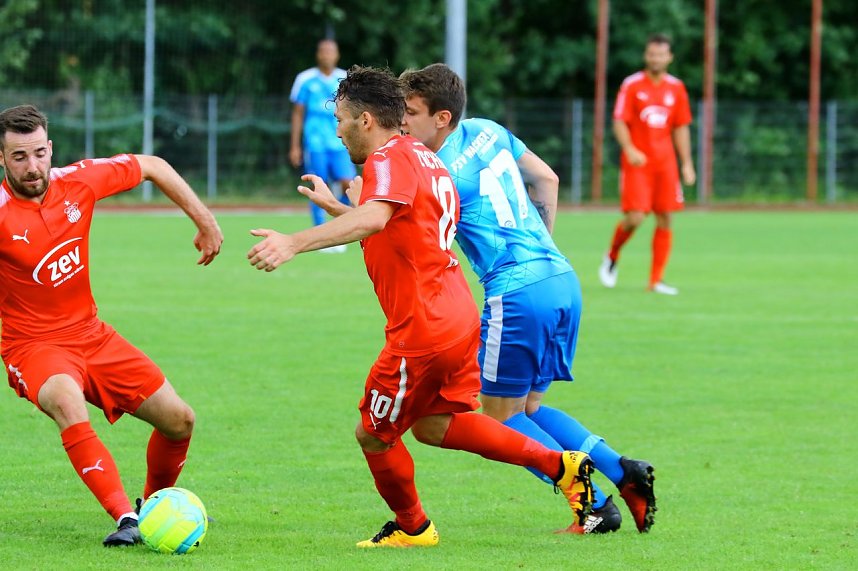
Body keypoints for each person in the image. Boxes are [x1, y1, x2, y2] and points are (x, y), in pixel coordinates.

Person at [248, 65, 595, 547]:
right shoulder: (426, 158)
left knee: (372, 435)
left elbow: (377, 218)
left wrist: (293, 242)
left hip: (422, 329)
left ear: (367, 120)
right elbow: (407, 229)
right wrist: (339, 209)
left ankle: (414, 526)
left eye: (342, 120)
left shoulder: (388, 159)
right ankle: (562, 465)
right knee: (434, 425)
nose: (339, 131)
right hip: (456, 316)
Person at [399, 63, 657, 533]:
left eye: (410, 113)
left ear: (441, 118)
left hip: (517, 295)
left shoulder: (435, 170)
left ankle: (594, 505)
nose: (402, 122)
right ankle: (623, 471)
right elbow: (548, 179)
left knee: (499, 419)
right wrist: (541, 250)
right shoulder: (487, 130)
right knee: (530, 409)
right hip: (560, 277)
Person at [0, 104, 223, 546]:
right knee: (66, 399)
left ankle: (154, 507)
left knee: (179, 421)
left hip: (91, 335)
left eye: (39, 153)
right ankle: (126, 519)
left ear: (50, 148)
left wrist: (205, 219)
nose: (33, 166)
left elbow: (152, 166)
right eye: (19, 157)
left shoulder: (77, 181)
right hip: (33, 346)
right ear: (1, 158)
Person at [599, 34, 696, 295]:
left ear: (670, 57)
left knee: (665, 217)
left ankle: (655, 281)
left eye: (661, 54)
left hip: (665, 164)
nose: (656, 58)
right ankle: (612, 254)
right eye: (652, 54)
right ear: (646, 55)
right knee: (636, 217)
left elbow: (681, 127)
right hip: (637, 163)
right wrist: (630, 149)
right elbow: (619, 120)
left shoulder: (676, 88)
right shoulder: (631, 85)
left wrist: (686, 163)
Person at [289, 38, 355, 251]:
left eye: (331, 51)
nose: (327, 55)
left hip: (340, 142)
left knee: (349, 183)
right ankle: (320, 235)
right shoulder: (305, 79)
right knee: (319, 184)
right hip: (315, 143)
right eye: (323, 51)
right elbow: (298, 114)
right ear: (318, 55)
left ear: (337, 55)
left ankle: (341, 230)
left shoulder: (344, 78)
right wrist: (295, 146)